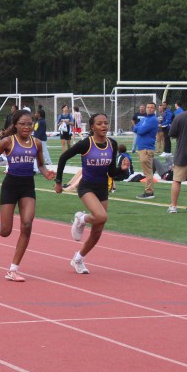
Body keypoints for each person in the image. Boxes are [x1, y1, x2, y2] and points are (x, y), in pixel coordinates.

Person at [0, 111, 55, 282]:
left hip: (28, 186)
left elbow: (41, 165)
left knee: (27, 224)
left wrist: (46, 173)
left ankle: (13, 269)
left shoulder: (36, 143)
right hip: (10, 186)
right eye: (22, 124)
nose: (27, 127)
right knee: (6, 231)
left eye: (29, 124)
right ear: (15, 125)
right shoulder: (8, 141)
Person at [54, 113, 118, 275]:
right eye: (99, 123)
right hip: (86, 187)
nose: (103, 126)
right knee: (101, 216)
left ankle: (78, 259)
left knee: (97, 230)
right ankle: (81, 218)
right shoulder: (86, 144)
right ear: (92, 127)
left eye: (105, 123)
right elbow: (63, 157)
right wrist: (59, 181)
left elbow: (112, 172)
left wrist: (123, 171)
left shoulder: (112, 144)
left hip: (102, 188)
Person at [132, 102, 159, 199]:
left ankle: (149, 192)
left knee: (148, 172)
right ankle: (149, 191)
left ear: (154, 109)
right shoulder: (145, 119)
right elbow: (134, 128)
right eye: (148, 107)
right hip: (142, 148)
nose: (149, 109)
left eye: (151, 107)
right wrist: (138, 128)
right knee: (147, 172)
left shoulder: (153, 120)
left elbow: (140, 130)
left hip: (146, 148)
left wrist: (138, 128)